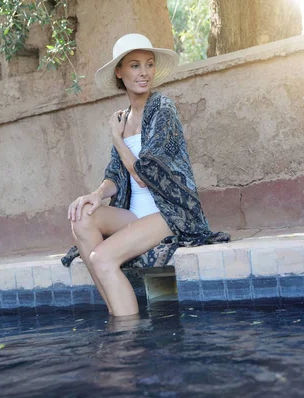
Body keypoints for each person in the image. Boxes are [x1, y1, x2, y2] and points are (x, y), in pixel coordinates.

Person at [62, 33, 229, 317]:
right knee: (82, 216)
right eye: (135, 65)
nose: (144, 73)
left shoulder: (163, 109)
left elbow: (145, 175)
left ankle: (127, 336)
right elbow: (116, 173)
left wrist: (117, 138)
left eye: (149, 65)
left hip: (170, 213)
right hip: (136, 216)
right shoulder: (123, 118)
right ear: (120, 71)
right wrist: (96, 195)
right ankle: (117, 311)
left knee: (102, 259)